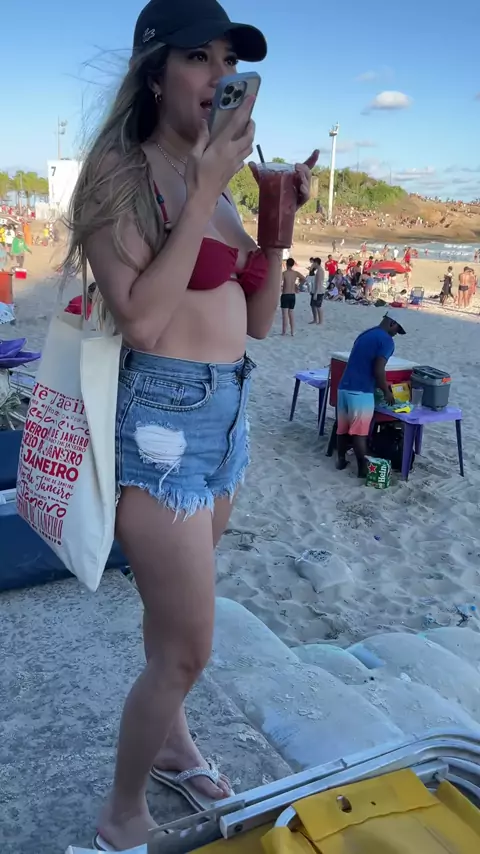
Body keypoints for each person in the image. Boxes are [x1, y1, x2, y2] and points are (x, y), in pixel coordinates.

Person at [62, 1, 316, 848]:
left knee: (168, 624)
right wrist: (207, 183)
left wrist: (273, 224)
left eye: (229, 63)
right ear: (154, 72)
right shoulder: (119, 175)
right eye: (199, 58)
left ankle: (173, 748)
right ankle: (120, 814)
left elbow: (256, 324)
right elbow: (140, 320)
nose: (219, 78)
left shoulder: (220, 184)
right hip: (160, 431)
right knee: (188, 650)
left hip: (227, 420)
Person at [336, 311, 406, 477]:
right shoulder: (386, 341)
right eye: (397, 330)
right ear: (392, 323)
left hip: (344, 387)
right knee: (360, 433)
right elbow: (378, 370)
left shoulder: (365, 334)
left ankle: (341, 461)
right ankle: (362, 469)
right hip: (361, 391)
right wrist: (386, 391)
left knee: (342, 428)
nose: (396, 334)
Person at [281, 257, 305, 335]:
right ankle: (292, 331)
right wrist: (298, 285)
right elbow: (304, 279)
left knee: (285, 314)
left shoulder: (284, 273)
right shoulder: (295, 273)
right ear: (293, 264)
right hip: (292, 295)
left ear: (286, 264)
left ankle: (284, 331)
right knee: (291, 313)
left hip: (285, 294)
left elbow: (280, 282)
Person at [310, 257, 325, 324]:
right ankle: (315, 319)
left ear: (316, 263)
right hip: (315, 290)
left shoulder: (320, 271)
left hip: (319, 291)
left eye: (313, 263)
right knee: (313, 305)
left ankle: (320, 321)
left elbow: (319, 283)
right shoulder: (318, 270)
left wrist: (316, 293)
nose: (312, 264)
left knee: (318, 306)